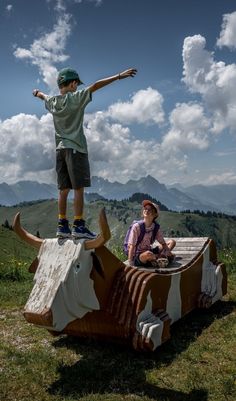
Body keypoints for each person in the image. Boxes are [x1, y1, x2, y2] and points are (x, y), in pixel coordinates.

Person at [33, 67, 137, 238]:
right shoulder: (76, 98)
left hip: (60, 150)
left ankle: (62, 225)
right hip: (76, 148)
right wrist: (118, 76)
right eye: (76, 84)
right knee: (79, 188)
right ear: (73, 83)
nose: (77, 87)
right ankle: (79, 225)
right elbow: (96, 85)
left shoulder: (52, 102)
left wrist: (37, 93)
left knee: (63, 189)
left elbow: (43, 96)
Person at [127, 200, 176, 267]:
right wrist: (130, 262)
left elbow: (163, 243)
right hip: (138, 255)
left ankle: (161, 257)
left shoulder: (155, 227)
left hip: (149, 250)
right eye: (145, 209)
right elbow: (131, 246)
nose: (147, 210)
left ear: (155, 214)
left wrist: (168, 251)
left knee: (172, 242)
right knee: (148, 254)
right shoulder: (137, 227)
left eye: (150, 210)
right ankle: (160, 259)